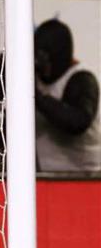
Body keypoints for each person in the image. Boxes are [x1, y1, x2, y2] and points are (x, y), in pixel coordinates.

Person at [33, 19, 101, 172]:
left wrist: (38, 99)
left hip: (84, 178)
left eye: (44, 57)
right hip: (46, 177)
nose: (41, 64)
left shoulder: (82, 79)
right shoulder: (34, 78)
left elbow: (78, 121)